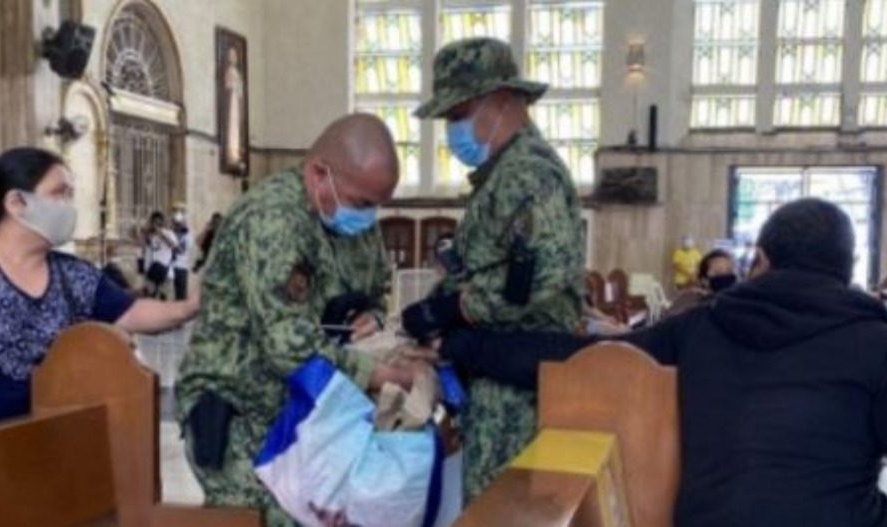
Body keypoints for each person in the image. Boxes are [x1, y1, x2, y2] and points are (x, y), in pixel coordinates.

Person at [438, 199, 887, 527]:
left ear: (762, 261)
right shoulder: (874, 342)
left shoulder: (704, 327)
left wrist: (463, 342)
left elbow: (576, 360)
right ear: (847, 271)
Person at [175, 114, 424, 526]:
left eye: (376, 205)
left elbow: (378, 282)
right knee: (275, 519)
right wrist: (379, 374)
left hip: (312, 406)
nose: (368, 216)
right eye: (363, 203)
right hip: (243, 412)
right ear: (318, 173)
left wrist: (371, 315)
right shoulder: (271, 220)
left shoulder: (352, 215)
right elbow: (288, 345)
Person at [399, 37, 586, 500]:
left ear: (503, 100)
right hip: (497, 371)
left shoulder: (528, 172)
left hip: (518, 385)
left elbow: (541, 273)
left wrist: (456, 308)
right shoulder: (502, 172)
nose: (451, 129)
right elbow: (493, 264)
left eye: (458, 113)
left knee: (501, 506)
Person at [0, 147, 200, 442]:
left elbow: (130, 312)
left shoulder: (73, 275)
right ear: (16, 202)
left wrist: (188, 308)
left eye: (70, 194)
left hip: (55, 447)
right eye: (59, 193)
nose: (69, 206)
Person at [664, 248, 737, 318]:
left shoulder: (737, 303)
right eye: (718, 271)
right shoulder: (690, 300)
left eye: (729, 271)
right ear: (704, 279)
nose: (724, 275)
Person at [142, 211, 177, 299]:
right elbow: (143, 245)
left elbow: (174, 245)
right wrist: (147, 231)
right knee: (150, 298)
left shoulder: (169, 233)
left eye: (158, 222)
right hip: (152, 271)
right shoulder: (151, 235)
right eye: (154, 222)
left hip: (166, 272)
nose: (156, 225)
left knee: (164, 299)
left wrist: (161, 233)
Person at [171, 208, 193, 301]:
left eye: (179, 224)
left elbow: (182, 250)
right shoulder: (171, 233)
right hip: (170, 267)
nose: (177, 226)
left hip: (181, 267)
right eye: (176, 224)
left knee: (180, 295)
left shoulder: (187, 236)